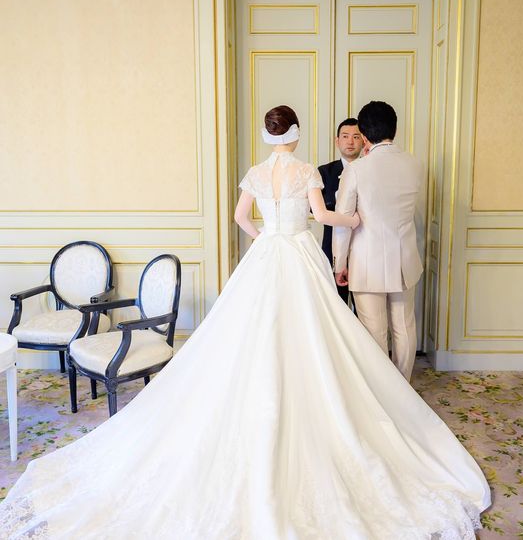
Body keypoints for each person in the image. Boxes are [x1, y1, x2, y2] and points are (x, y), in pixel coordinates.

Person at [0, 105, 490, 539]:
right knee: (316, 332)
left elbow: (240, 217)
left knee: (249, 332)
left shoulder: (255, 172)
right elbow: (323, 216)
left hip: (269, 252)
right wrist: (352, 222)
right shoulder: (305, 171)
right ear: (295, 134)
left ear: (268, 136)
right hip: (298, 253)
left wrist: (264, 236)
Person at [333, 101, 423, 382]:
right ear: (394, 129)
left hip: (367, 262)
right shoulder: (414, 164)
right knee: (404, 326)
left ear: (363, 134)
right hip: (405, 260)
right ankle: (403, 387)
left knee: (374, 332)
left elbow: (343, 220)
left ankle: (383, 391)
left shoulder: (357, 169)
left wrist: (340, 263)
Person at [317, 118, 363, 305]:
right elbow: (316, 208)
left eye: (356, 137)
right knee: (337, 306)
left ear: (364, 140)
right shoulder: (324, 172)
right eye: (345, 136)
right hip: (332, 248)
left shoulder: (369, 170)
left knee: (365, 311)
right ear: (337, 141)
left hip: (364, 249)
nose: (350, 141)